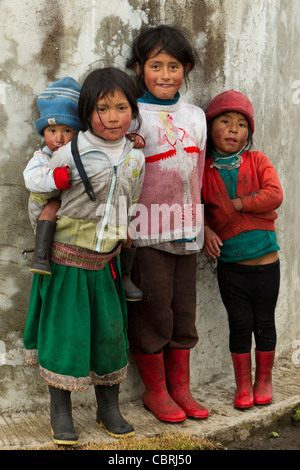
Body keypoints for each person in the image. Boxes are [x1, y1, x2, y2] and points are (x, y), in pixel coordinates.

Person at [23, 67, 145, 445]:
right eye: (103, 108)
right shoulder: (70, 154)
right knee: (65, 337)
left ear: (133, 110)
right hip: (66, 266)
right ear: (87, 112)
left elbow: (133, 198)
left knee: (109, 338)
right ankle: (60, 412)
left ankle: (108, 408)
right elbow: (40, 198)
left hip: (105, 265)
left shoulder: (135, 157)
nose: (112, 117)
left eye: (121, 107)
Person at [126, 24, 209, 423]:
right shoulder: (133, 116)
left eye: (173, 65)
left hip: (189, 231)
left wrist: (205, 223)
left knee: (183, 312)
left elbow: (199, 175)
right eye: (155, 65)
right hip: (147, 232)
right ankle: (155, 392)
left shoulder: (195, 117)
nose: (164, 74)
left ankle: (181, 388)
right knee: (153, 311)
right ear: (139, 68)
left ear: (186, 68)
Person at [202, 90, 283, 409]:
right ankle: (243, 386)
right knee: (239, 325)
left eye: (241, 124)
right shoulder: (204, 171)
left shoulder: (257, 160)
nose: (234, 129)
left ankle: (264, 379)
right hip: (231, 269)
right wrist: (205, 229)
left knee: (264, 322)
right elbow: (197, 208)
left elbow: (274, 194)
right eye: (225, 121)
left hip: (267, 264)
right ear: (210, 128)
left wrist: (241, 204)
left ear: (249, 132)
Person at [23, 77, 82, 275]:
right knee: (52, 206)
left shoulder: (81, 155)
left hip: (69, 216)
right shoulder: (42, 157)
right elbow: (30, 177)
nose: (59, 138)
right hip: (42, 213)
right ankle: (40, 255)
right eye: (52, 130)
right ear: (43, 132)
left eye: (67, 130)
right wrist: (53, 179)